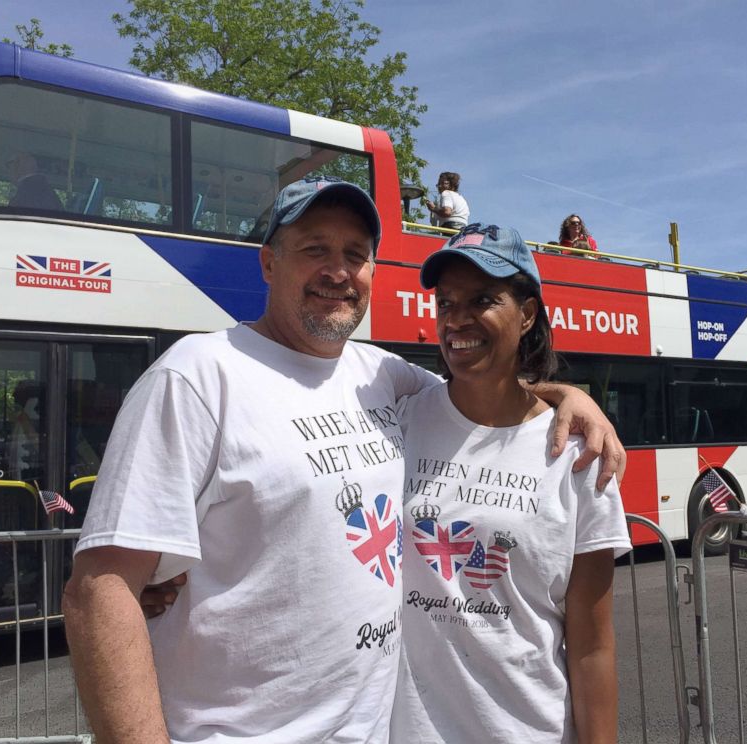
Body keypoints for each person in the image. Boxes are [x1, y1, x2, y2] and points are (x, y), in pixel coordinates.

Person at [63, 177, 625, 744]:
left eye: (355, 254)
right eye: (315, 249)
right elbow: (99, 591)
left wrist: (569, 397)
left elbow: (488, 397)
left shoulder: (380, 375)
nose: (338, 271)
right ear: (268, 263)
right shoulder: (196, 378)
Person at [391, 224, 631, 742]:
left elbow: (592, 647)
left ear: (526, 315)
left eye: (482, 299)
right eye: (446, 301)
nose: (458, 319)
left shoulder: (580, 455)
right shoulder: (400, 418)